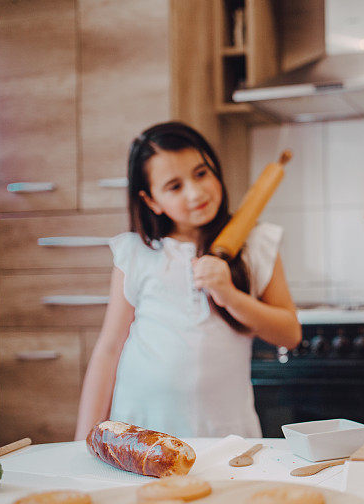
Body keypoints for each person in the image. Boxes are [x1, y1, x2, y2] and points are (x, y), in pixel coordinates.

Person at [75, 121, 301, 439]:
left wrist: (230, 295)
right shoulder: (136, 252)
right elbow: (109, 348)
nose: (196, 193)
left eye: (201, 173)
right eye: (174, 186)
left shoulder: (258, 243)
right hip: (141, 430)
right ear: (151, 200)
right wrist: (82, 439)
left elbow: (289, 334)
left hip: (224, 432)